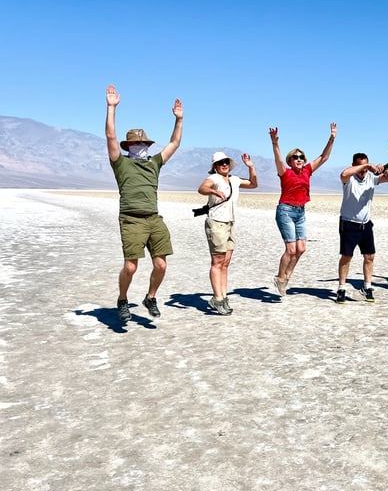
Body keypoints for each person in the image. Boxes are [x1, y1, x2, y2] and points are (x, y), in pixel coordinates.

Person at [105, 84, 183, 322]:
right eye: (136, 144)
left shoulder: (154, 163)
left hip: (153, 219)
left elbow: (174, 143)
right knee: (130, 267)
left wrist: (179, 120)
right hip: (131, 219)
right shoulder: (121, 163)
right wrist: (111, 108)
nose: (140, 147)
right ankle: (122, 299)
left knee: (161, 265)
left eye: (144, 144)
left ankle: (150, 297)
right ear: (128, 147)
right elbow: (110, 136)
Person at [268, 123, 336, 299]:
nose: (299, 159)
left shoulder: (307, 170)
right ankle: (279, 278)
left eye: (301, 157)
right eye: (295, 157)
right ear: (290, 161)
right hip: (285, 211)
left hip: (300, 213)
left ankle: (286, 277)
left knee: (301, 248)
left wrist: (331, 138)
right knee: (291, 250)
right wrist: (275, 143)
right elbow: (278, 160)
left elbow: (324, 157)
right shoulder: (285, 172)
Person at [196, 152, 259, 315]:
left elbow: (253, 184)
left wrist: (251, 166)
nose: (224, 165)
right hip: (217, 223)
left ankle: (223, 297)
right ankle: (218, 298)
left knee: (225, 262)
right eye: (220, 163)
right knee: (217, 262)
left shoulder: (234, 179)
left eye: (226, 162)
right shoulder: (215, 178)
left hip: (230, 223)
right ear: (215, 166)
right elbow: (202, 188)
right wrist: (214, 192)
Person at [336, 154, 388, 304]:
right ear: (354, 165)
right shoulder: (349, 179)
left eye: (366, 166)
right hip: (348, 223)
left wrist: (385, 170)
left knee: (369, 256)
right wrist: (365, 166)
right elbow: (343, 174)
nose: (364, 171)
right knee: (346, 256)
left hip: (365, 224)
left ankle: (367, 287)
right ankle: (341, 289)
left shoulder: (371, 178)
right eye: (361, 167)